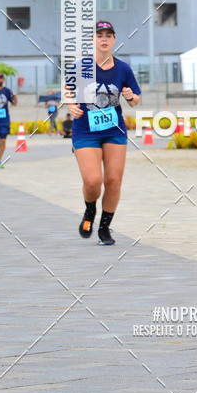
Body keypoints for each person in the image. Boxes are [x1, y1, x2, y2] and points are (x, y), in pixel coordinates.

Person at [68, 21, 141, 245]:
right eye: (99, 35)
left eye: (108, 35)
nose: (104, 38)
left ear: (114, 40)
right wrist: (70, 104)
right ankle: (90, 210)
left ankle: (105, 228)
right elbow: (67, 90)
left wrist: (130, 96)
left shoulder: (123, 69)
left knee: (113, 180)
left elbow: (136, 100)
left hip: (114, 130)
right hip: (85, 131)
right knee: (93, 181)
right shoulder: (81, 67)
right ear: (93, 40)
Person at [0, 72, 17, 168]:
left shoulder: (7, 91)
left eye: (1, 78)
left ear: (3, 79)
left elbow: (14, 104)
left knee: (3, 141)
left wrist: (15, 97)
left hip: (4, 120)